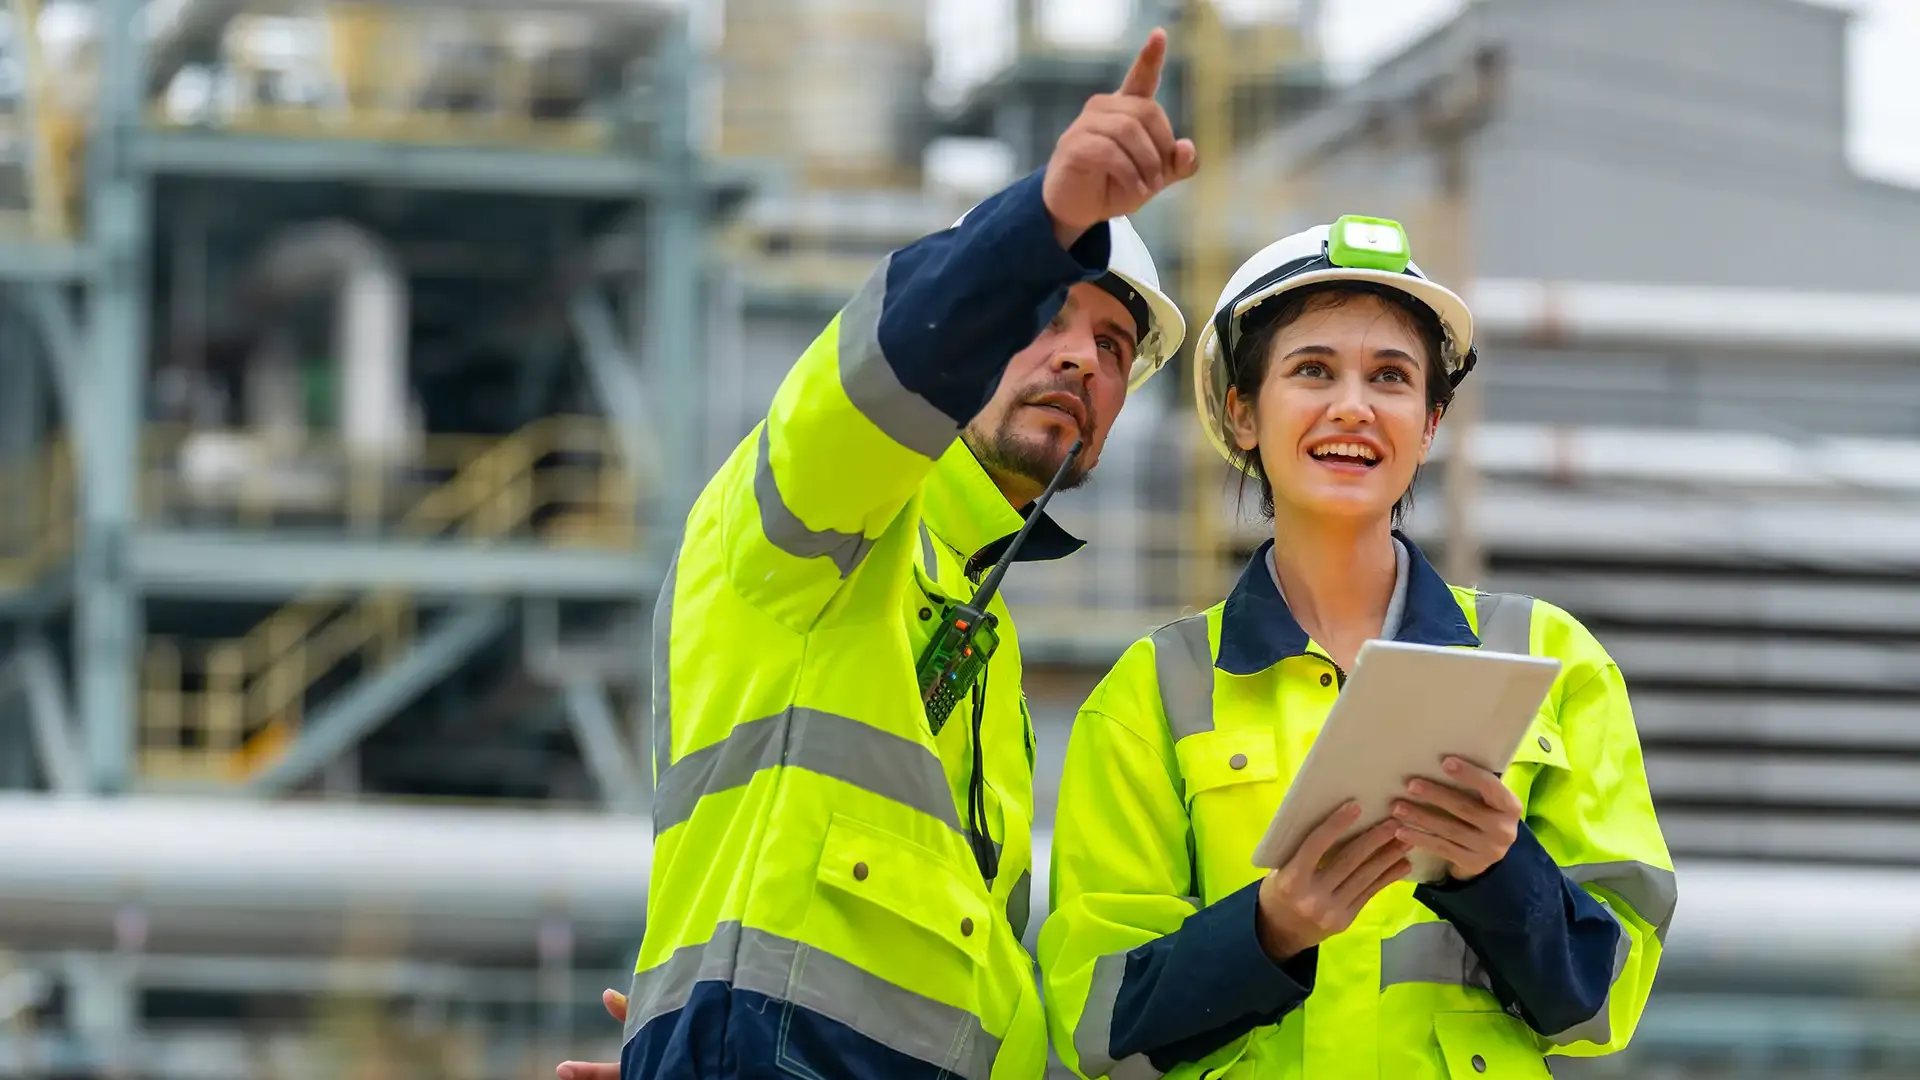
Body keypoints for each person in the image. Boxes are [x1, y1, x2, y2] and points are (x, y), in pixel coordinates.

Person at [557, 28, 1198, 1080]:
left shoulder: (986, 639)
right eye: (1046, 315)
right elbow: (878, 373)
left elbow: (978, 981)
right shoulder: (828, 512)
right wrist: (1046, 221)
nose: (1081, 357)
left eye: (1114, 347)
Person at [1038, 216, 1676, 1078]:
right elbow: (1096, 1021)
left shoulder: (1552, 661)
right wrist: (1271, 929)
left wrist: (1499, 871)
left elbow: (1606, 1005)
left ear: (1430, 423)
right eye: (1312, 370)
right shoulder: (1154, 693)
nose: (1353, 406)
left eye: (1391, 377)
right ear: (1242, 412)